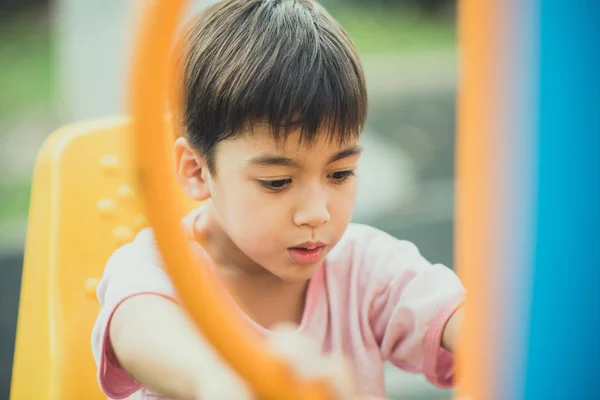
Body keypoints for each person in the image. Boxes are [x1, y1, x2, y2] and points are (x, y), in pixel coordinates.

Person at [91, 0, 465, 398]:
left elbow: (471, 323)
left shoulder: (366, 270)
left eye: (339, 173)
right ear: (197, 171)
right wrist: (217, 377)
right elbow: (137, 327)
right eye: (277, 181)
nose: (316, 213)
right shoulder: (160, 267)